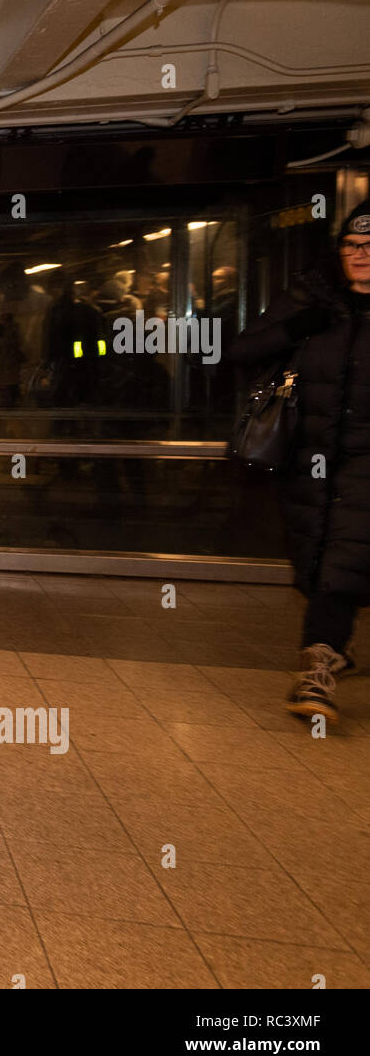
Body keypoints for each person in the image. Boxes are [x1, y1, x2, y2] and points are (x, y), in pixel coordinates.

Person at [229, 199, 370, 722]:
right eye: (352, 245)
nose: (361, 255)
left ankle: (317, 671)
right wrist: (300, 325)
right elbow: (242, 351)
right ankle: (333, 642)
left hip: (364, 462)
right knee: (316, 561)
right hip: (309, 460)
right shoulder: (313, 299)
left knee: (341, 560)